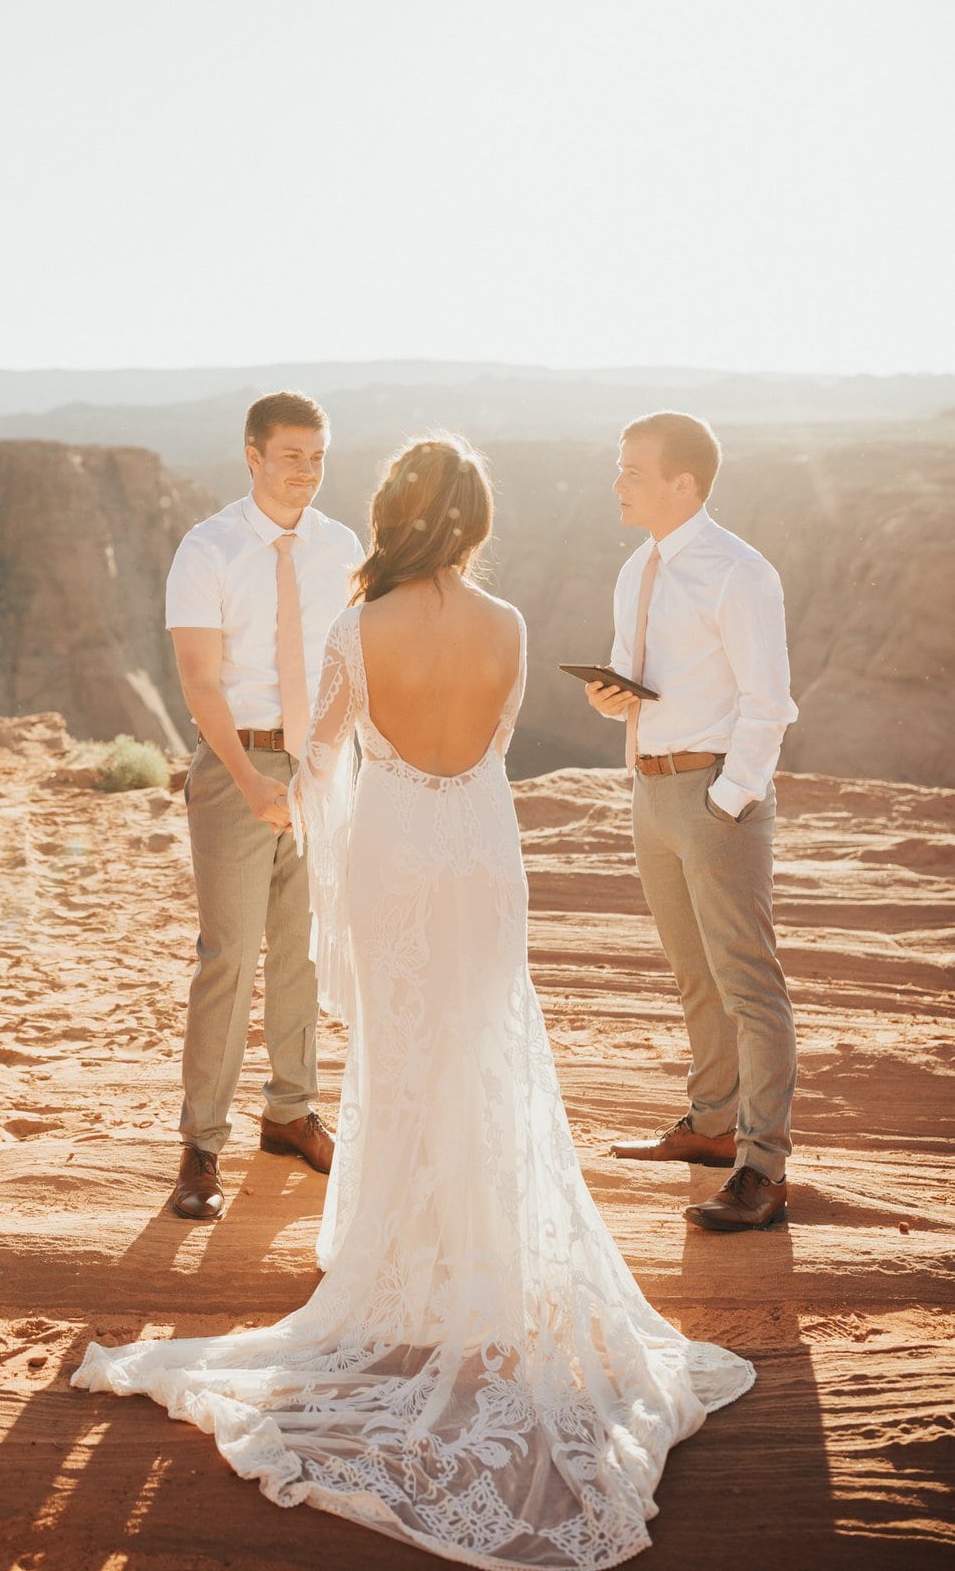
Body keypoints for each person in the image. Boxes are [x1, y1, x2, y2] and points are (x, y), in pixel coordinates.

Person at [74, 434, 753, 1570]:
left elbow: (319, 755)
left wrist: (316, 833)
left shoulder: (358, 625)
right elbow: (493, 746)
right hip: (482, 853)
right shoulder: (511, 626)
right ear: (474, 522)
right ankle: (480, 1253)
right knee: (482, 1045)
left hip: (394, 855)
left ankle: (410, 1265)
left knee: (403, 1054)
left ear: (394, 514)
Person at [586, 411, 798, 1233]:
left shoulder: (739, 572)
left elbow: (768, 702)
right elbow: (634, 678)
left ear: (685, 483)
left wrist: (728, 799)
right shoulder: (636, 567)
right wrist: (609, 697)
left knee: (749, 985)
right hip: (651, 792)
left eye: (633, 471)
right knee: (693, 975)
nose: (617, 483)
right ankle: (712, 1126)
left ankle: (762, 1168)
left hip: (714, 796)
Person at [163, 390, 363, 1219]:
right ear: (253, 456)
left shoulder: (342, 547)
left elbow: (351, 668)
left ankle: (290, 1113)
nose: (306, 471)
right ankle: (202, 1145)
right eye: (291, 456)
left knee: (304, 951)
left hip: (323, 769)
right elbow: (199, 680)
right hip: (233, 765)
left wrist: (326, 767)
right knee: (229, 956)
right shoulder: (207, 548)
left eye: (317, 457)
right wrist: (250, 780)